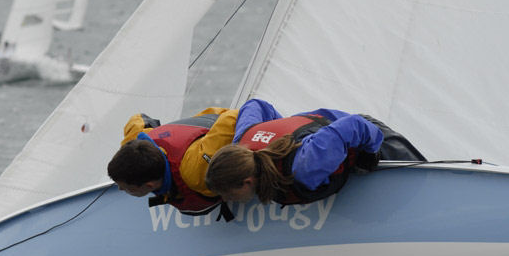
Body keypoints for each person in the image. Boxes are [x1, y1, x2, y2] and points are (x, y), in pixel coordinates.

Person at [204, 98, 424, 206]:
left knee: (422, 189)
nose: (225, 200)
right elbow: (255, 105)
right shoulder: (243, 139)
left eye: (227, 194)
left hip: (368, 133)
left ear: (247, 181)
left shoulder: (305, 167)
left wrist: (369, 157)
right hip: (332, 137)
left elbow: (355, 126)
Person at [107, 107, 240, 217]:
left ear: (149, 185)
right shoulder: (134, 143)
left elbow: (236, 116)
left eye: (127, 188)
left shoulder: (198, 172)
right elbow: (136, 120)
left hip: (225, 123)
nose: (119, 189)